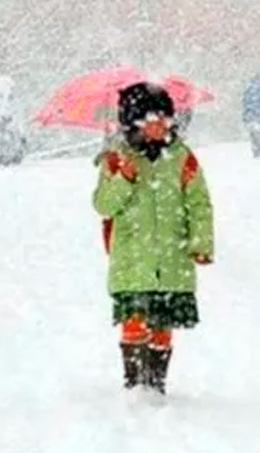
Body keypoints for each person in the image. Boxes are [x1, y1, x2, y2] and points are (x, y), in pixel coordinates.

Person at [93, 82, 214, 397]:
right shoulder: (117, 159)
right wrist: (124, 177)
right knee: (134, 320)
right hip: (133, 259)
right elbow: (103, 205)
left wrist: (200, 243)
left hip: (171, 258)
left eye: (165, 118)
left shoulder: (181, 158)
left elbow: (199, 202)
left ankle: (156, 382)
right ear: (133, 122)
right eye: (152, 119)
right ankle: (134, 382)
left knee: (162, 322)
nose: (161, 125)